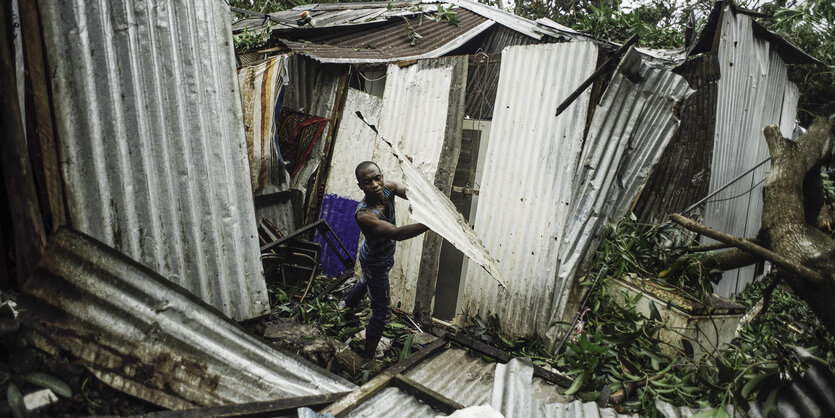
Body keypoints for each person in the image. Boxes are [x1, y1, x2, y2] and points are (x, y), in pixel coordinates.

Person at [339, 161, 429, 361]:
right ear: (360, 186)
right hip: (375, 261)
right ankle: (367, 359)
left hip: (382, 255)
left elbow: (404, 190)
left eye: (377, 178)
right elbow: (396, 234)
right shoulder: (364, 214)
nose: (375, 184)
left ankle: (346, 305)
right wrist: (430, 224)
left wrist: (425, 202)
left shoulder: (389, 188)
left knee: (365, 281)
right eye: (367, 182)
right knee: (381, 312)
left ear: (382, 176)